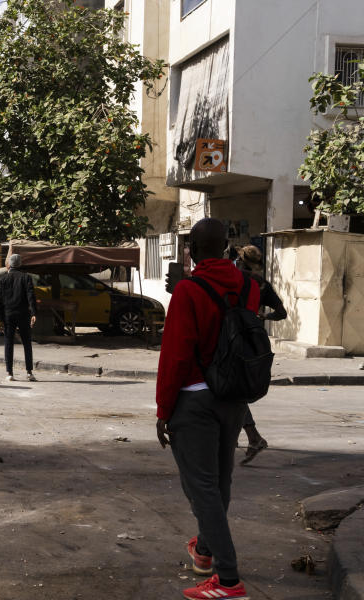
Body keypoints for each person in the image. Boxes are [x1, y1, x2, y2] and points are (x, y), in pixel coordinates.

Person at [156, 218, 259, 600]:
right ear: (226, 246)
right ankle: (203, 551)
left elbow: (175, 355)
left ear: (194, 250)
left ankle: (228, 579)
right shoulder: (248, 286)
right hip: (232, 397)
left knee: (200, 487)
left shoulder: (188, 290)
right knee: (220, 481)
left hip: (194, 398)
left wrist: (163, 409)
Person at [235, 244, 286, 465]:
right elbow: (281, 313)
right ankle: (248, 436)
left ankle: (252, 436)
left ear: (240, 258)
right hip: (254, 343)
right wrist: (263, 317)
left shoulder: (236, 278)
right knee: (234, 390)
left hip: (233, 339)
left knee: (230, 390)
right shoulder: (261, 284)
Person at [0, 253, 37, 382]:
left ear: (9, 265)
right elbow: (31, 296)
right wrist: (34, 313)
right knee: (27, 343)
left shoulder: (3, 279)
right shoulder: (26, 278)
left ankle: (9, 372)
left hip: (8, 315)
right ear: (20, 264)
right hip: (23, 314)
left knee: (8, 343)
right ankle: (29, 372)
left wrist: (0, 319)